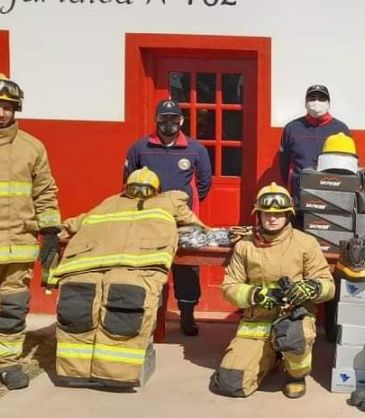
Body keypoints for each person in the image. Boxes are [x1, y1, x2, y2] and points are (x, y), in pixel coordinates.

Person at [48, 167, 207, 388]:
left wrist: (54, 234)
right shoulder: (166, 201)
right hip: (137, 266)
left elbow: (76, 222)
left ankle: (81, 372)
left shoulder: (112, 202)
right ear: (157, 189)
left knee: (81, 310)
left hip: (92, 265)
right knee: (120, 313)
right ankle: (107, 373)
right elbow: (196, 229)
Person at [0, 75, 61, 398]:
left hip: (18, 249)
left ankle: (7, 363)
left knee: (12, 308)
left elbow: (45, 193)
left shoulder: (32, 147)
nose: (0, 114)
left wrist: (50, 231)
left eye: (7, 108)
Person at [209, 182, 335, 399]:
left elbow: (329, 286)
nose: (273, 218)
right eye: (266, 213)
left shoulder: (306, 243)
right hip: (257, 321)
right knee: (230, 384)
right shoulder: (245, 246)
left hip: (293, 317)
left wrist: (311, 288)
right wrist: (256, 295)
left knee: (297, 337)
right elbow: (229, 287)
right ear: (258, 215)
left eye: (279, 213)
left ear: (288, 215)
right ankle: (273, 356)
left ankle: (295, 375)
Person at [124, 99, 212, 336]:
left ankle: (187, 317)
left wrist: (185, 207)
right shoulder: (140, 147)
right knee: (149, 269)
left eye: (174, 119)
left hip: (183, 222)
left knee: (187, 271)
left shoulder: (196, 149)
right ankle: (151, 318)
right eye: (164, 119)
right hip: (149, 221)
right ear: (156, 121)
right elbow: (128, 181)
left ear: (181, 121)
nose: (169, 124)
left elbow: (205, 183)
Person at [279, 84, 351, 217]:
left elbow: (349, 165)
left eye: (321, 99)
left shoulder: (341, 129)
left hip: (332, 199)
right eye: (312, 98)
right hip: (300, 200)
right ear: (306, 103)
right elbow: (284, 164)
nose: (316, 102)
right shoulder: (292, 128)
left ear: (329, 103)